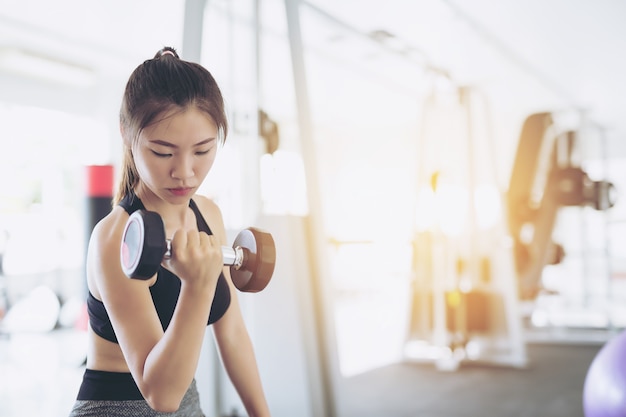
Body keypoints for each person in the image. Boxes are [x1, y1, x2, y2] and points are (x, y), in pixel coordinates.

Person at [69, 47, 271, 417]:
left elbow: (233, 335)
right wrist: (197, 285)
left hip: (187, 403)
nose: (185, 172)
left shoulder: (208, 213)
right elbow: (161, 396)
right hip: (118, 408)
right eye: (163, 153)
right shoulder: (115, 238)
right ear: (127, 135)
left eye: (203, 150)